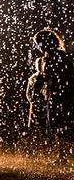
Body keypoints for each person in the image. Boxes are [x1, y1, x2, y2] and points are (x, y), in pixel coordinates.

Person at [32, 29, 74, 161]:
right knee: (56, 125)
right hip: (54, 95)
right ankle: (61, 154)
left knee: (63, 124)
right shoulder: (46, 57)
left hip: (65, 94)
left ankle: (64, 153)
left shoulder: (59, 56)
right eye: (37, 43)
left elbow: (67, 75)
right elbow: (44, 76)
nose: (39, 46)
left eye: (40, 42)